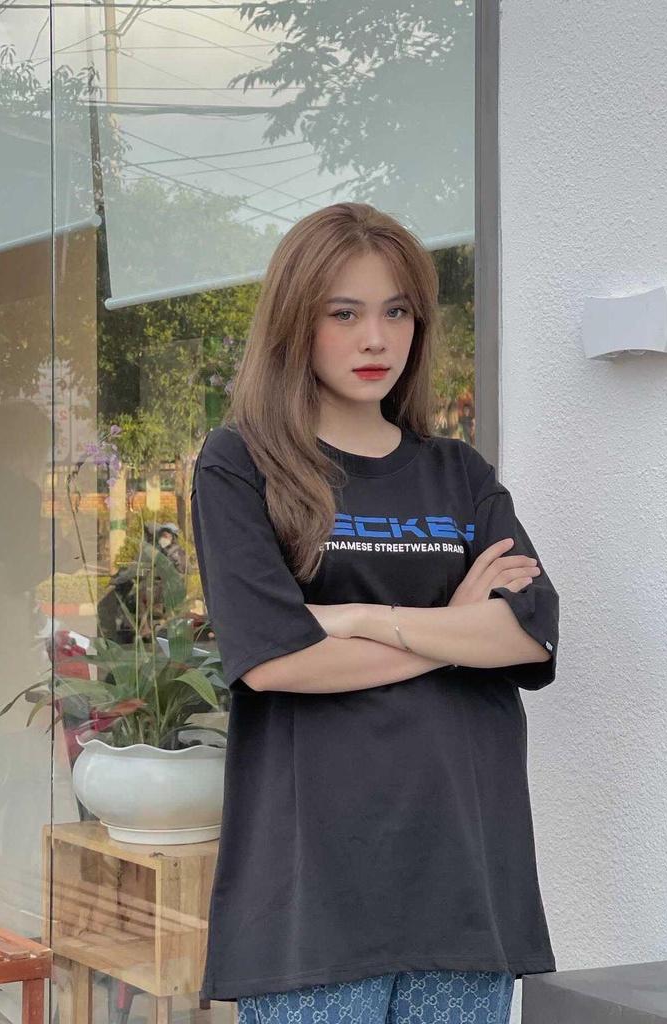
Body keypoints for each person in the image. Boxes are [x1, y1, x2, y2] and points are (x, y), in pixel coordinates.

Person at [190, 203, 560, 1024]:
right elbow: (275, 660)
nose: (376, 339)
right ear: (296, 321)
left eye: (397, 312)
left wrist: (357, 617)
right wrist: (454, 627)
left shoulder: (459, 473)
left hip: (465, 882)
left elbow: (528, 632)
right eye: (344, 313)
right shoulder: (242, 463)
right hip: (312, 896)